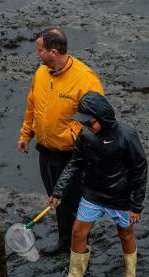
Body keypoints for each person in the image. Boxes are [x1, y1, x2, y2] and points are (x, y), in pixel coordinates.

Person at [48, 92, 147, 277]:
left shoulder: (127, 135)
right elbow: (75, 162)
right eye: (84, 122)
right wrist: (58, 191)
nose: (87, 126)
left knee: (125, 234)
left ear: (103, 117)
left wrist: (136, 205)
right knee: (77, 232)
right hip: (92, 194)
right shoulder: (85, 135)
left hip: (120, 198)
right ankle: (75, 275)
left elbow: (140, 169)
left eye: (90, 122)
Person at [18, 27, 104, 256]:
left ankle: (81, 247)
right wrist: (26, 134)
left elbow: (98, 120)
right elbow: (32, 105)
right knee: (55, 200)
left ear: (53, 52)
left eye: (40, 50)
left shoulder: (85, 80)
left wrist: (73, 138)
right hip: (46, 151)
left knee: (74, 203)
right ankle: (64, 241)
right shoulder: (41, 73)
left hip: (72, 155)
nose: (37, 54)